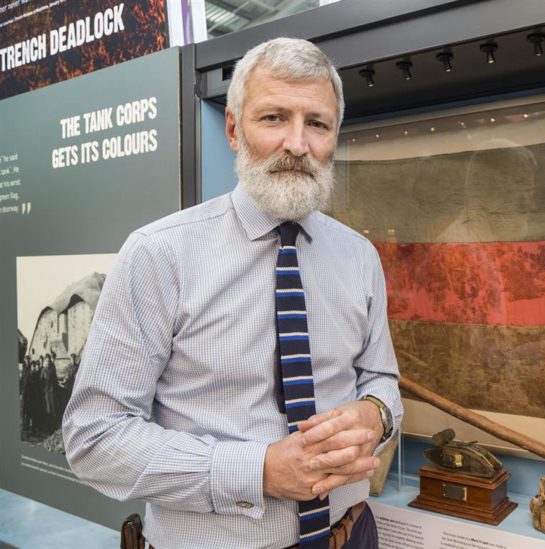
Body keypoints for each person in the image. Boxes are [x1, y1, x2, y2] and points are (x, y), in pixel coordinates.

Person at [63, 37, 402, 549]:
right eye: (273, 118)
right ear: (232, 129)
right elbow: (96, 438)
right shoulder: (159, 254)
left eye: (317, 123)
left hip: (351, 536)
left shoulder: (359, 257)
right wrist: (257, 471)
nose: (297, 143)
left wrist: (375, 414)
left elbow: (381, 379)